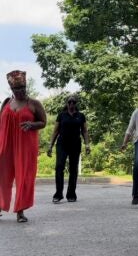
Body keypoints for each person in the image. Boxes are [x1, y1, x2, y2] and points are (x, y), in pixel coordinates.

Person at [0, 70, 46, 222]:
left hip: (25, 146)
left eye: (22, 88)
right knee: (2, 175)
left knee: (23, 176)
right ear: (11, 90)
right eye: (16, 89)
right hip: (6, 145)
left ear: (26, 87)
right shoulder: (6, 103)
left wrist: (32, 124)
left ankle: (20, 211)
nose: (19, 92)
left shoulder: (33, 103)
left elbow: (43, 122)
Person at [47, 95, 90, 203]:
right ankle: (58, 194)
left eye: (73, 102)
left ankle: (71, 194)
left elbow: (84, 131)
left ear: (76, 104)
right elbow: (55, 131)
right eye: (69, 102)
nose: (71, 104)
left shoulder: (81, 116)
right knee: (59, 167)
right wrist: (50, 145)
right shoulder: (61, 115)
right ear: (67, 103)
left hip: (75, 145)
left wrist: (87, 145)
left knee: (73, 169)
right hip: (62, 144)